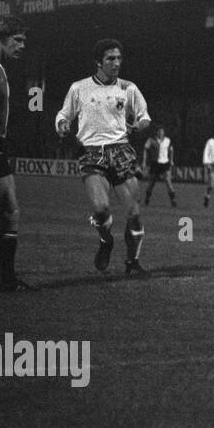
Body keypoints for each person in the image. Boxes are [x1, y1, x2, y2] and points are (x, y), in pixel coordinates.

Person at [55, 38, 152, 276]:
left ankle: (133, 263)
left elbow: (144, 116)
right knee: (100, 208)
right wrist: (62, 124)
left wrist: (138, 126)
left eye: (119, 58)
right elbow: (63, 114)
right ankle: (106, 240)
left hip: (120, 151)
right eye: (111, 58)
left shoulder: (128, 87)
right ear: (98, 62)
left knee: (134, 214)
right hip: (91, 152)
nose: (116, 63)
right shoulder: (79, 88)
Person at [0, 18, 33, 291]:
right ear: (0, 38)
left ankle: (8, 281)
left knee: (11, 212)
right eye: (17, 40)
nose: (22, 45)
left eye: (24, 41)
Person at [142, 125, 178, 207]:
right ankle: (147, 198)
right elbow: (145, 149)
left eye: (162, 131)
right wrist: (144, 162)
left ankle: (173, 200)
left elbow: (171, 150)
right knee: (151, 183)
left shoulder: (167, 140)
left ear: (164, 132)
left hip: (165, 163)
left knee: (168, 181)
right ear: (157, 132)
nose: (161, 133)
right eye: (159, 131)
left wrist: (171, 160)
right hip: (155, 164)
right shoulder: (151, 140)